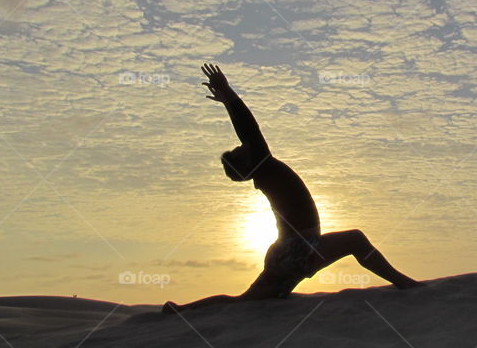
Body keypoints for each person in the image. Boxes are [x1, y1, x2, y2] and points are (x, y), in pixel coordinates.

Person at [163, 63, 422, 314]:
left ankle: (182, 310)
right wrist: (230, 96)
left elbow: (248, 137)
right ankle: (405, 283)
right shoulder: (265, 167)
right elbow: (249, 130)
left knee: (246, 301)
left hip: (286, 252)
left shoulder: (266, 174)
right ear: (248, 163)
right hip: (298, 248)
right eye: (239, 151)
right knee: (354, 239)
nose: (242, 146)